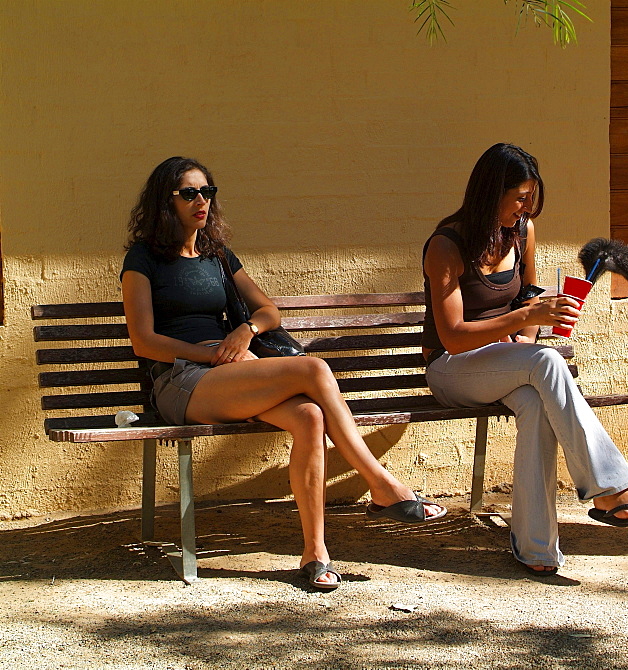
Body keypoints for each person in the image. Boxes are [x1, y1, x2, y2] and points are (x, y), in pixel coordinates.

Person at [121, 156, 445, 591]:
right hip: (180, 381)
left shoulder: (218, 255)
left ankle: (315, 553)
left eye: (208, 192)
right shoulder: (143, 259)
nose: (202, 201)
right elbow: (144, 341)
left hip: (229, 375)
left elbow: (268, 311)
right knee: (313, 368)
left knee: (310, 417)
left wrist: (245, 330)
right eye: (190, 193)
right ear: (167, 201)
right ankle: (381, 483)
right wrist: (212, 352)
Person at [421, 143, 628, 576]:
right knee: (547, 364)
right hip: (452, 370)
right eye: (519, 198)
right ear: (491, 193)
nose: (526, 208)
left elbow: (528, 295)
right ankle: (608, 486)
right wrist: (526, 321)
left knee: (535, 401)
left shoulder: (522, 231)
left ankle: (536, 548)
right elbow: (452, 338)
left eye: (531, 198)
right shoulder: (446, 245)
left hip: (504, 361)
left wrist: (529, 334)